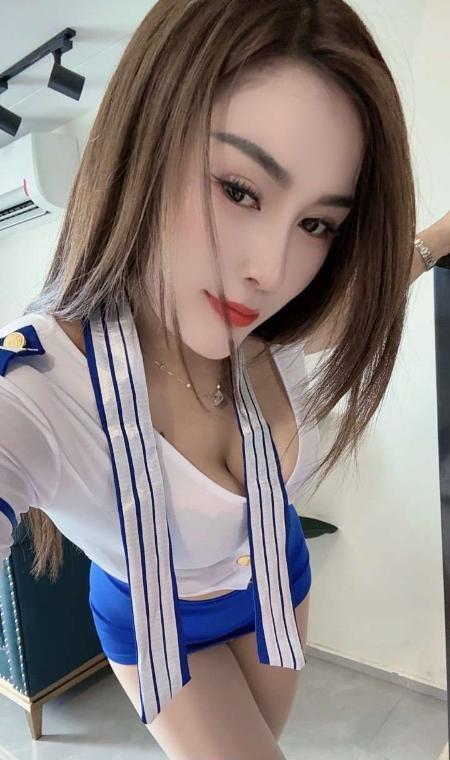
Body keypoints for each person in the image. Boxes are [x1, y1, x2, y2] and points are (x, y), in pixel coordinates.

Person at [1, 1, 449, 758]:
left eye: (316, 223)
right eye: (240, 189)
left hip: (277, 579)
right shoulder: (41, 384)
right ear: (144, 143)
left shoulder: (285, 330)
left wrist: (439, 236)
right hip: (157, 623)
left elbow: (379, 282)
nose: (270, 271)